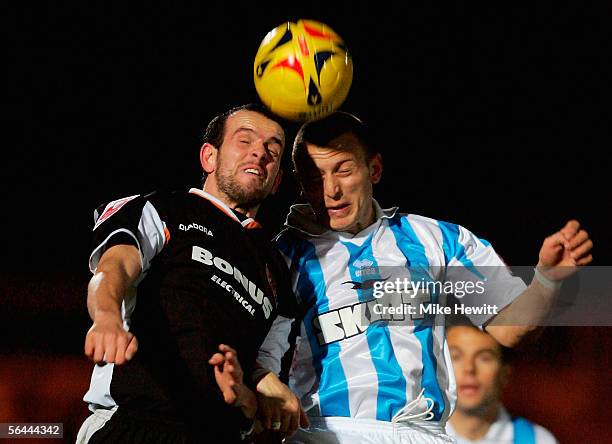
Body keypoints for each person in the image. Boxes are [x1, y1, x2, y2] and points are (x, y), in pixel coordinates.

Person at [255, 112, 593, 443]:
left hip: (423, 434)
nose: (331, 190)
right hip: (327, 432)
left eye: (343, 170)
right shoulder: (281, 257)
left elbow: (510, 329)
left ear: (374, 169)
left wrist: (547, 280)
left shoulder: (438, 240)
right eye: (314, 178)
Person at [76, 103, 304, 443]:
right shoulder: (163, 209)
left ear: (276, 182)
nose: (260, 152)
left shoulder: (279, 272)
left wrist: (247, 394)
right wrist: (107, 317)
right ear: (209, 157)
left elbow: (263, 385)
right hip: (135, 424)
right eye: (245, 141)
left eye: (273, 149)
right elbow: (116, 266)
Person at [446, 323, 558, 443]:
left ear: (505, 372)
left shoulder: (539, 440)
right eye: (455, 357)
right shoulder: (423, 437)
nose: (469, 368)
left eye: (484, 358)